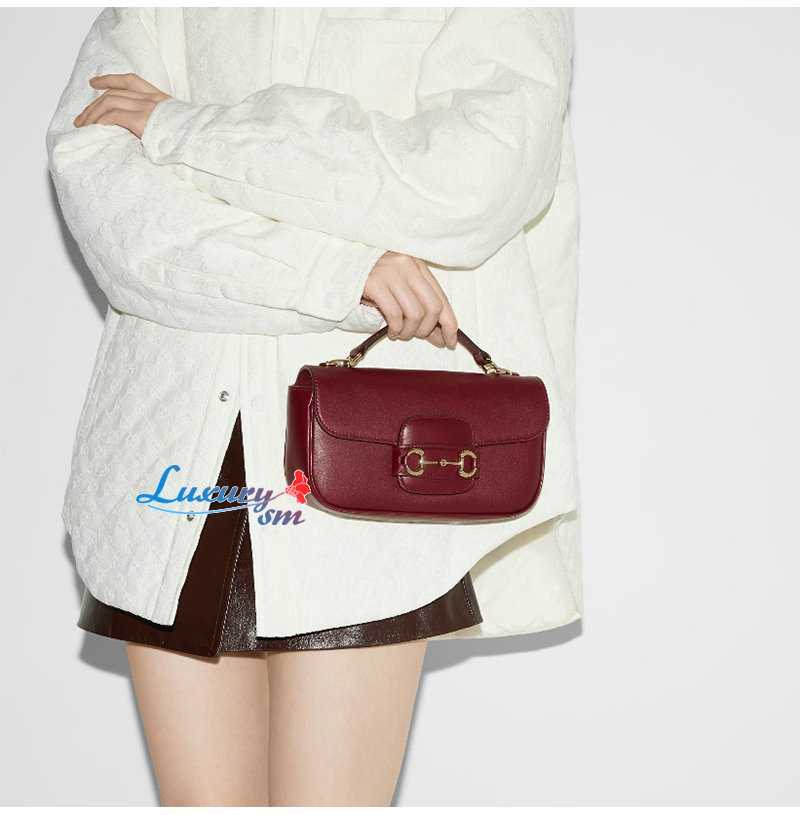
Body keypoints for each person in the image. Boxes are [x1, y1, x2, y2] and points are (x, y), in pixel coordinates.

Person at [47, 7, 581, 806]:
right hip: (171, 454)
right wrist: (334, 271)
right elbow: (113, 202)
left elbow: (468, 184)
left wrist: (184, 130)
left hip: (373, 465)